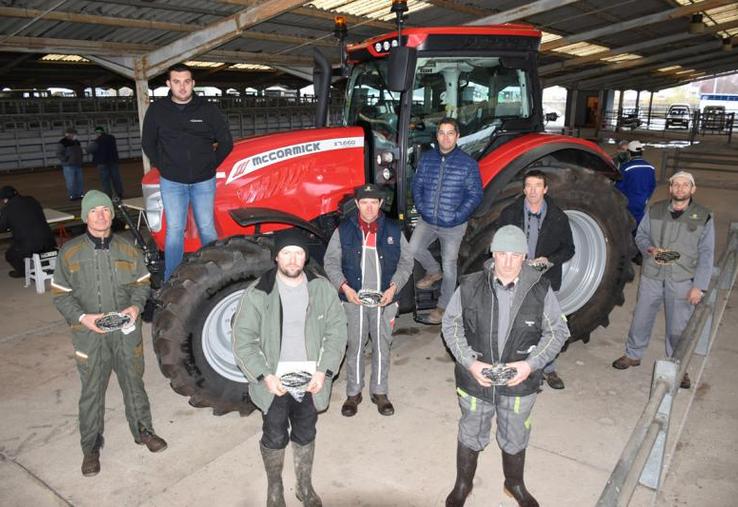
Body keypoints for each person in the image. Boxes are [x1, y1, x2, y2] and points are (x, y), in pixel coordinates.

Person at [442, 225, 569, 507]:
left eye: (515, 255)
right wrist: (470, 362)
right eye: (502, 254)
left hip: (519, 382)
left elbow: (558, 332)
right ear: (493, 255)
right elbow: (450, 325)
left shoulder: (540, 289)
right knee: (471, 431)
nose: (508, 261)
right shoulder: (471, 285)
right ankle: (463, 484)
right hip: (477, 380)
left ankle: (514, 484)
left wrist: (530, 365)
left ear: (524, 257)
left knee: (515, 433)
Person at [51, 190, 167, 477]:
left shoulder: (128, 249)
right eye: (94, 211)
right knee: (91, 391)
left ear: (112, 215)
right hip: (89, 334)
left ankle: (144, 431)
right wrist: (82, 318)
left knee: (133, 382)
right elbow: (61, 295)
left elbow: (142, 284)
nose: (101, 215)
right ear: (85, 216)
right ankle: (90, 448)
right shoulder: (70, 252)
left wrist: (135, 309)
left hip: (126, 332)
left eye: (105, 209)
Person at [232, 231, 347, 507]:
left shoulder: (322, 289)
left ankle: (304, 486)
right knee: (274, 434)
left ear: (306, 257)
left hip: (311, 380)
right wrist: (264, 376)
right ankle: (275, 488)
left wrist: (324, 371)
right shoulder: (259, 292)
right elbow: (242, 339)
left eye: (298, 253)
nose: (293, 259)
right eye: (286, 253)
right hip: (275, 382)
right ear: (276, 256)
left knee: (306, 431)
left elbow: (337, 331)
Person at [612, 171, 714, 390]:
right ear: (670, 188)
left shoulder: (704, 216)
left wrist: (699, 286)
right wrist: (649, 249)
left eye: (685, 185)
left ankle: (678, 365)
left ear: (692, 189)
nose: (679, 189)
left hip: (682, 278)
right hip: (652, 275)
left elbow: (707, 254)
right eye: (676, 185)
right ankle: (633, 354)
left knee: (678, 326)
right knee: (641, 317)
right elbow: (640, 236)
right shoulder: (655, 210)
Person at [323, 183, 413, 417]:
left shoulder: (393, 229)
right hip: (355, 300)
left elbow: (407, 262)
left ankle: (380, 392)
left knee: (383, 346)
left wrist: (394, 287)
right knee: (355, 346)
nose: (369, 207)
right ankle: (354, 393)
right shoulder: (343, 230)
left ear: (381, 204)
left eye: (374, 202)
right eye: (365, 202)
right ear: (357, 204)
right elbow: (331, 262)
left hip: (385, 300)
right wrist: (343, 287)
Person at [141, 62, 233, 281]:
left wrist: (210, 165)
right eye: (176, 82)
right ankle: (171, 280)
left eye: (186, 82)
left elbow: (226, 142)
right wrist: (164, 166)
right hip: (172, 182)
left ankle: (215, 275)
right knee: (174, 230)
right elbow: (148, 142)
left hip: (204, 181)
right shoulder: (157, 110)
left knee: (207, 228)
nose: (182, 87)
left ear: (193, 83)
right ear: (168, 84)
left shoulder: (207, 109)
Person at [497, 170, 574, 390]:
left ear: (545, 189)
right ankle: (514, 368)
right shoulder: (510, 214)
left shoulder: (558, 217)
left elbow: (569, 249)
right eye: (529, 185)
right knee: (513, 324)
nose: (532, 190)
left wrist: (548, 260)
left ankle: (549, 368)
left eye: (537, 185)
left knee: (547, 326)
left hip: (544, 280)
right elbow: (499, 243)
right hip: (516, 277)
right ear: (523, 189)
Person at [410, 117, 483, 324]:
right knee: (414, 248)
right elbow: (417, 186)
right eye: (441, 133)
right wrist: (423, 209)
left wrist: (458, 216)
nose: (445, 137)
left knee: (450, 265)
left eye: (450, 133)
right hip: (428, 220)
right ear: (437, 136)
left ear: (457, 136)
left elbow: (475, 194)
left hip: (453, 225)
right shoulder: (427, 159)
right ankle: (433, 272)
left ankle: (443, 308)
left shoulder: (467, 164)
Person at [0, 185, 56, 278]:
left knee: (10, 255)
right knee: (39, 245)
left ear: (5, 199)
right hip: (49, 241)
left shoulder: (7, 209)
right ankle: (43, 268)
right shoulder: (31, 199)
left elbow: (1, 227)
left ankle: (24, 273)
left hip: (29, 245)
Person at [615, 140, 656, 228]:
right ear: (641, 152)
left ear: (629, 153)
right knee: (639, 227)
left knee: (626, 226)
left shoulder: (626, 168)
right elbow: (652, 186)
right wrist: (645, 197)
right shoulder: (650, 167)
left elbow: (619, 187)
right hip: (642, 202)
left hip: (628, 203)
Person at [88, 126, 123, 198]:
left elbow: (89, 149)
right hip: (113, 161)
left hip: (102, 162)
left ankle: (108, 195)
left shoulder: (97, 141)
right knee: (116, 178)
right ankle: (119, 193)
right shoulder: (112, 138)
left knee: (105, 180)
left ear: (97, 133)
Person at [56, 127, 84, 200]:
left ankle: (80, 195)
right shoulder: (62, 142)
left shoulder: (77, 142)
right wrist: (66, 159)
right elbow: (59, 153)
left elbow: (80, 152)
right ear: (69, 134)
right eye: (74, 134)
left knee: (79, 181)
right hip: (68, 166)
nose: (75, 135)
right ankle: (72, 196)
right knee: (70, 182)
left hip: (78, 164)